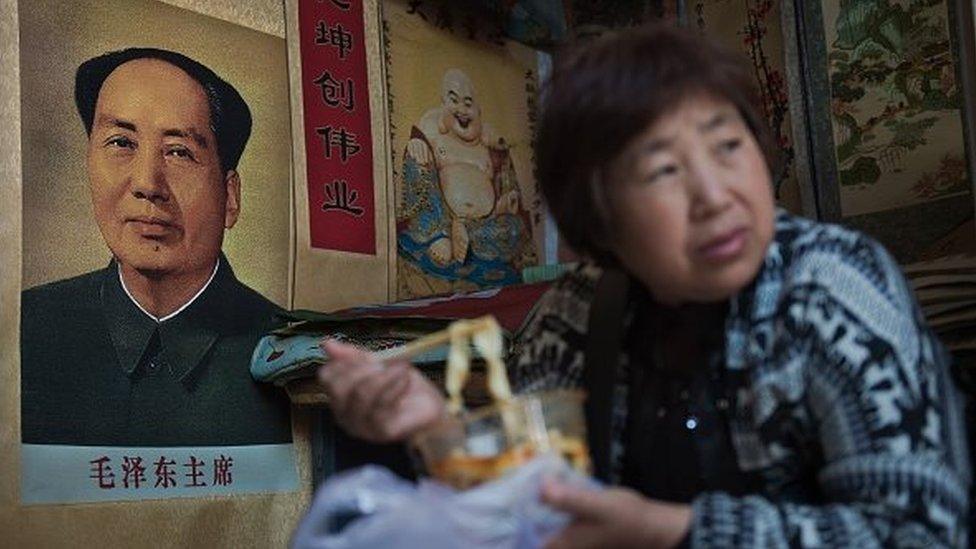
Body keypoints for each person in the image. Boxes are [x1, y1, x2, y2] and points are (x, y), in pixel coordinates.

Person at [318, 24, 971, 548]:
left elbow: (922, 530)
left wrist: (674, 533)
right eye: (662, 170)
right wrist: (430, 423)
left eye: (726, 144)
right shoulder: (575, 313)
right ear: (599, 217)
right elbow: (531, 498)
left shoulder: (831, 288)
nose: (716, 197)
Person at [21, 48, 291, 447]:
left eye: (179, 151)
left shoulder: (288, 351)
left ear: (230, 197)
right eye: (121, 143)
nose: (147, 183)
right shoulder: (25, 327)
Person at [397, 68, 536, 289]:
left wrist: (504, 204)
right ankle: (439, 236)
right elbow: (419, 175)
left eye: (468, 103)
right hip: (441, 219)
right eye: (454, 101)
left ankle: (465, 234)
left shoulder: (489, 141)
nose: (462, 110)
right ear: (443, 103)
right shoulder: (432, 128)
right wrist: (417, 143)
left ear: (477, 108)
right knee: (417, 162)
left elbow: (505, 185)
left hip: (482, 225)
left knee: (516, 227)